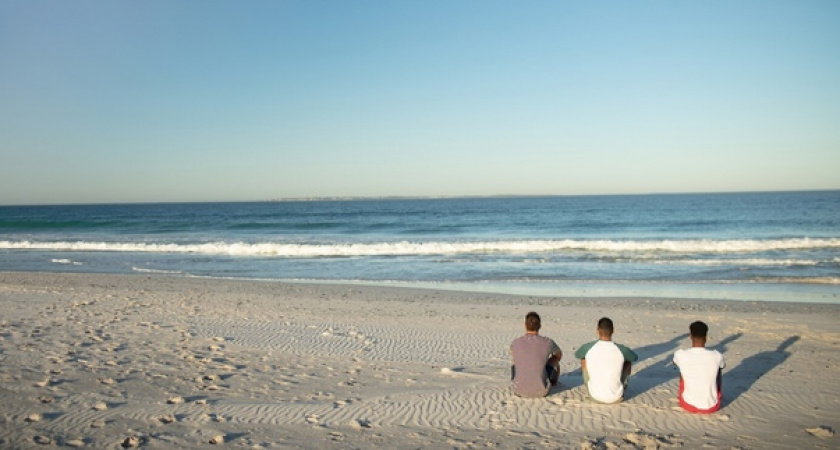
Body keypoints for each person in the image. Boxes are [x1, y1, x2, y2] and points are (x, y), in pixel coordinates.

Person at [574, 317, 638, 403]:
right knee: (627, 362)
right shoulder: (621, 349)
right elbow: (634, 357)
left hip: (595, 396)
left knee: (584, 359)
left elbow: (578, 354)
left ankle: (593, 385)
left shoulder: (588, 347)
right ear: (613, 330)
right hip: (616, 397)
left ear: (597, 331)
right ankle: (620, 386)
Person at [673, 321, 725, 413]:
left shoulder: (680, 354)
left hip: (688, 404)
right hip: (713, 406)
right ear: (706, 337)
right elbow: (722, 366)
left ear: (690, 336)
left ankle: (690, 393)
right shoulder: (717, 355)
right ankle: (715, 394)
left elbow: (674, 363)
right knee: (718, 369)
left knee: (683, 367)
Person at [510, 311, 563, 397]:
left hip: (517, 390)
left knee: (515, 360)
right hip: (542, 391)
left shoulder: (515, 342)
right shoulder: (548, 342)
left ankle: (520, 380)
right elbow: (559, 355)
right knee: (555, 359)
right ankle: (553, 382)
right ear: (540, 326)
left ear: (525, 325)